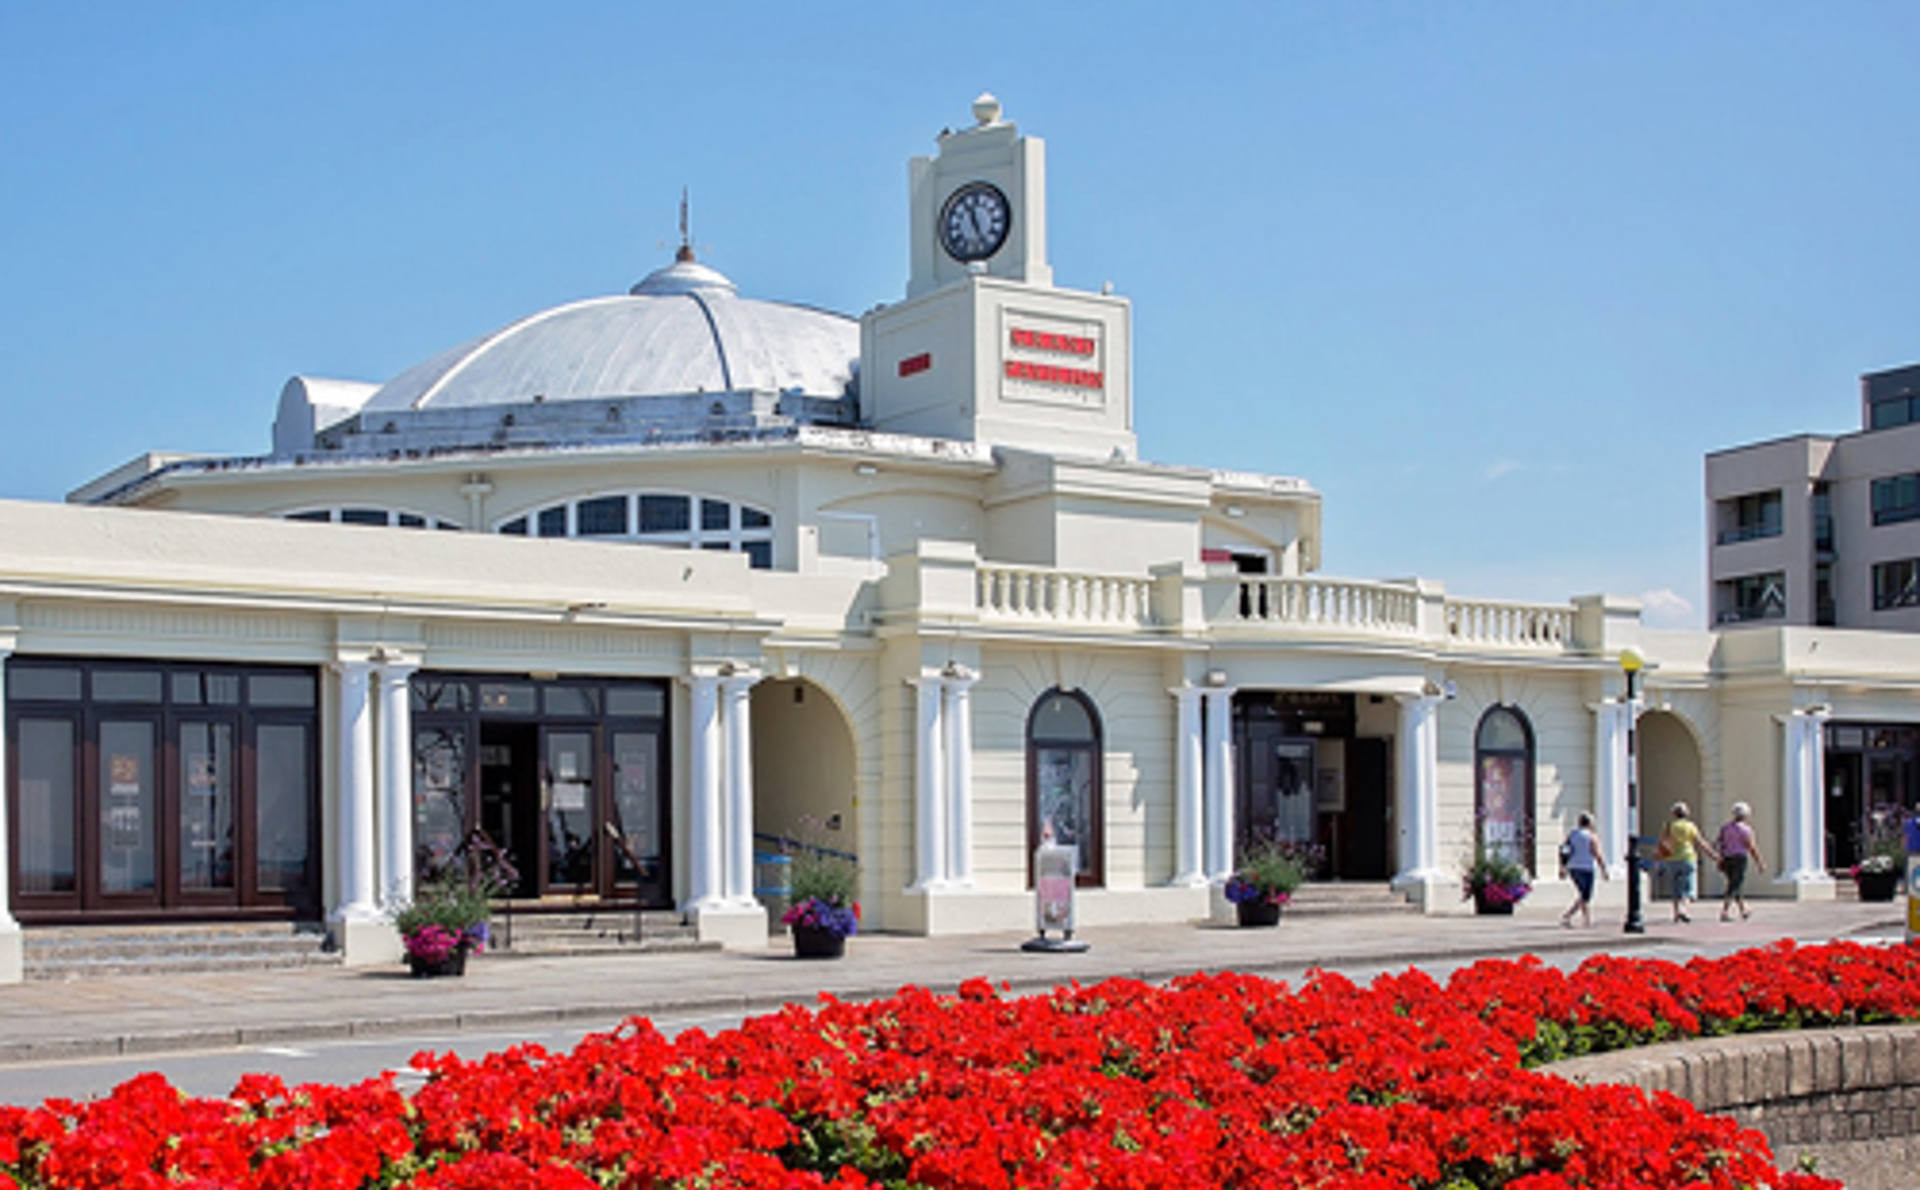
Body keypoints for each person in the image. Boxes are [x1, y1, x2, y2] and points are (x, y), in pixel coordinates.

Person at [1657, 802, 1719, 923]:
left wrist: (1658, 859)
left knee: (1675, 887)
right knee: (1687, 887)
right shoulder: (1690, 826)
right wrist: (1713, 855)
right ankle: (1683, 910)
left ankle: (1676, 913)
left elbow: (1662, 842)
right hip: (1687, 858)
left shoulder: (1669, 826)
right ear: (1686, 814)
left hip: (1672, 859)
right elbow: (1700, 842)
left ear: (1674, 814)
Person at [1715, 802, 1767, 922]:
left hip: (1727, 857)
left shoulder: (1725, 827)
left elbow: (1719, 842)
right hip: (1739, 858)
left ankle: (1743, 909)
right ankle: (1724, 911)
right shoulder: (1746, 830)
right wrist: (1760, 862)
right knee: (1734, 885)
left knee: (1735, 884)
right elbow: (1751, 847)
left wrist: (1719, 858)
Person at [1557, 811, 1609, 928]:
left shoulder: (1572, 835)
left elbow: (1564, 851)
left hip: (1573, 867)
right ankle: (1568, 916)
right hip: (1586, 868)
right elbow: (1597, 854)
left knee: (1583, 895)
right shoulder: (1591, 836)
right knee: (1586, 896)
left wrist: (1563, 867)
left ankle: (1586, 920)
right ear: (1590, 823)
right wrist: (1603, 869)